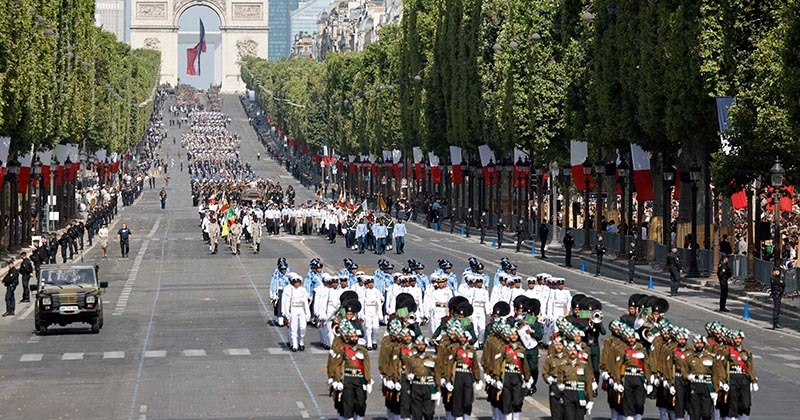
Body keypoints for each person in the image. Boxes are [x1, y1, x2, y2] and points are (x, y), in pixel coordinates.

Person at [282, 273, 311, 351]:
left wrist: (307, 313)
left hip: (301, 309)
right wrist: (286, 312)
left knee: (303, 327)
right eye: (295, 282)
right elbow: (287, 302)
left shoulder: (303, 290)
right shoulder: (290, 289)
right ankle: (295, 345)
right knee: (293, 327)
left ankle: (301, 342)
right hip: (294, 309)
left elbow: (305, 302)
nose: (296, 284)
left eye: (298, 282)